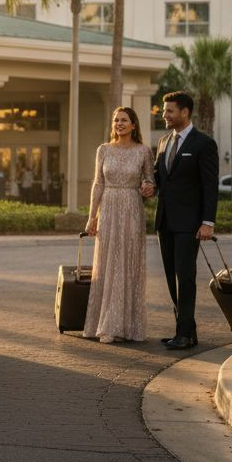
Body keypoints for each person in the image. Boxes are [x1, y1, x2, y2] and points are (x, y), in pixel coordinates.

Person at [148, 91, 219, 350]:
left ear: (185, 112)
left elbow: (210, 187)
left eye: (169, 111)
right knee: (170, 276)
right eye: (164, 111)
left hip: (189, 223)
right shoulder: (165, 141)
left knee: (185, 276)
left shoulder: (204, 143)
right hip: (165, 221)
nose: (164, 115)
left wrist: (207, 222)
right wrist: (149, 186)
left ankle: (185, 334)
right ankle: (185, 329)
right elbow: (158, 178)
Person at [83, 107, 155, 343]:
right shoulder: (103, 150)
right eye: (116, 120)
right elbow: (98, 184)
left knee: (127, 263)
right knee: (106, 263)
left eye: (124, 120)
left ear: (134, 124)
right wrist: (92, 216)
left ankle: (127, 326)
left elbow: (150, 183)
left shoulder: (144, 151)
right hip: (108, 208)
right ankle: (106, 325)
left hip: (132, 208)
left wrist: (147, 188)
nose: (119, 124)